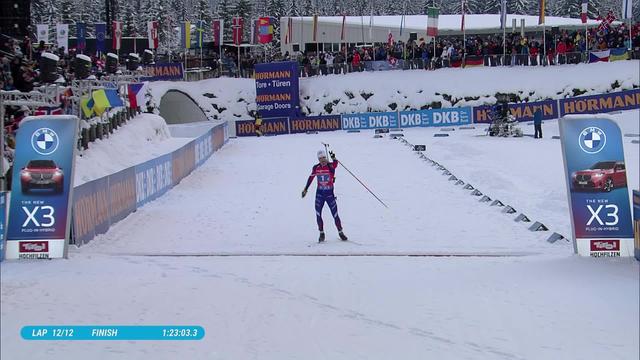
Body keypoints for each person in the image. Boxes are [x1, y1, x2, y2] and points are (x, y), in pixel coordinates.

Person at [302, 150, 348, 242]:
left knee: (335, 214)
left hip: (329, 194)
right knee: (318, 214)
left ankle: (340, 232)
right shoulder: (316, 167)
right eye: (320, 158)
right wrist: (306, 189)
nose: (322, 160)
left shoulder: (330, 166)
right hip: (319, 195)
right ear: (318, 159)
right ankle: (321, 233)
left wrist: (333, 157)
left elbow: (335, 163)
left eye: (324, 158)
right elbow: (311, 178)